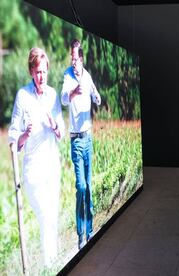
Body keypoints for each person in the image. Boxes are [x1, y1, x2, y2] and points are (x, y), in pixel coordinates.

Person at [9, 47, 64, 267]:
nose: (41, 76)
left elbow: (61, 130)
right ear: (31, 71)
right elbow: (13, 137)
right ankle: (51, 266)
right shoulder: (22, 95)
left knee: (53, 216)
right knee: (46, 217)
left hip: (52, 165)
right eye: (37, 72)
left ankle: (55, 264)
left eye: (44, 71)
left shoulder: (52, 95)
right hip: (33, 171)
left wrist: (55, 125)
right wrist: (24, 135)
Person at [61, 39, 101, 250]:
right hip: (76, 140)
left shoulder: (87, 76)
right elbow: (63, 98)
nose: (74, 62)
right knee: (81, 187)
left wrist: (95, 94)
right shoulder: (68, 76)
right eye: (72, 58)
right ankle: (80, 234)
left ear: (82, 58)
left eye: (76, 59)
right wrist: (73, 92)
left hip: (88, 138)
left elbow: (97, 98)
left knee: (89, 186)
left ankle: (91, 231)